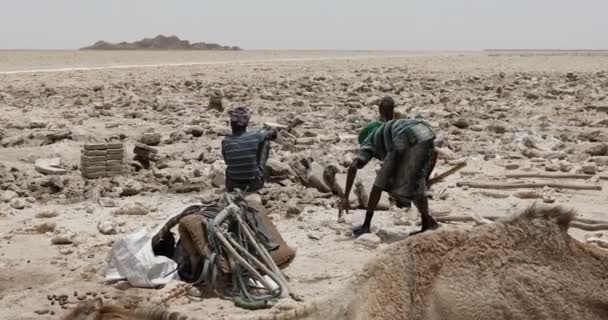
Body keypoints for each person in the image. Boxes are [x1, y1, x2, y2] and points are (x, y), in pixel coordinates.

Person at [341, 119, 439, 237]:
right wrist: (425, 178)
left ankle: (366, 225)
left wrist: (345, 197)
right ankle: (427, 222)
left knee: (379, 183)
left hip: (404, 136)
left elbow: (354, 166)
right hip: (426, 132)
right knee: (415, 185)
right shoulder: (388, 129)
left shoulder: (370, 139)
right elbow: (434, 154)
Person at [221, 106, 277, 192]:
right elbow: (273, 135)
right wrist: (269, 130)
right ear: (246, 123)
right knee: (265, 142)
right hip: (254, 185)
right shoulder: (255, 135)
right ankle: (261, 174)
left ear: (231, 123)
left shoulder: (226, 141)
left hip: (231, 185)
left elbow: (227, 162)